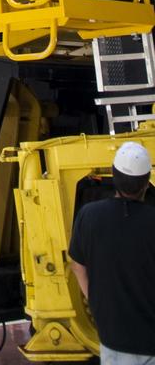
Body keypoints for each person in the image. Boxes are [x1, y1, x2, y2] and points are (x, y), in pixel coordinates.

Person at [68, 140, 155, 365]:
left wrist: (95, 301)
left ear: (114, 177)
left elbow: (77, 265)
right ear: (146, 183)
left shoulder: (89, 216)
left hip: (111, 338)